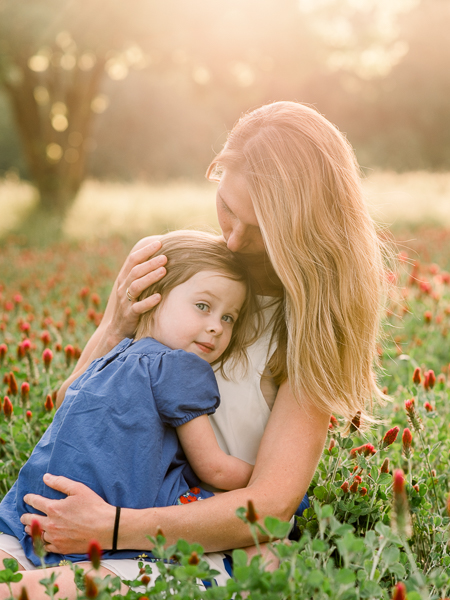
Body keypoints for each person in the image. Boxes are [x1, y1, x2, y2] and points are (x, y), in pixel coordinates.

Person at [3, 101, 385, 599]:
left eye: (262, 227)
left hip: (208, 539)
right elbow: (76, 414)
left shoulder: (313, 323)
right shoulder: (189, 272)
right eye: (227, 207)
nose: (232, 237)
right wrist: (115, 325)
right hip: (96, 506)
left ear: (304, 228)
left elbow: (269, 507)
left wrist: (113, 527)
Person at [0, 230, 260, 568]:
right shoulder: (180, 367)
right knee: (243, 526)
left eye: (228, 317)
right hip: (108, 511)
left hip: (32, 507)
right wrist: (271, 481)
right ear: (154, 297)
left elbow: (64, 402)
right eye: (203, 306)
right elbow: (213, 467)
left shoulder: (116, 353)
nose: (216, 327)